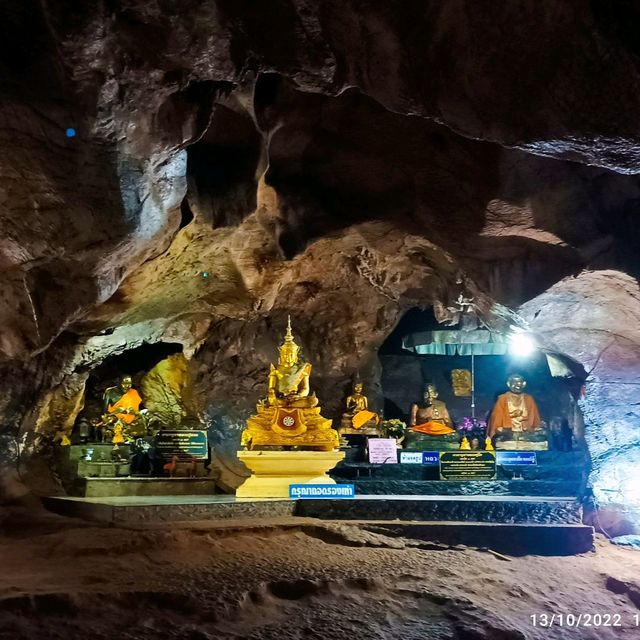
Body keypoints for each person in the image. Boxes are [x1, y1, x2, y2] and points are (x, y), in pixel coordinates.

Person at [488, 374, 542, 438]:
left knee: (541, 432)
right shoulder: (503, 398)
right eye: (514, 382)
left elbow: (535, 418)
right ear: (508, 384)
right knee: (499, 430)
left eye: (519, 382)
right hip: (508, 431)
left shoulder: (528, 398)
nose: (517, 385)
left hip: (526, 430)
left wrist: (535, 427)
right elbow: (496, 420)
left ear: (524, 384)